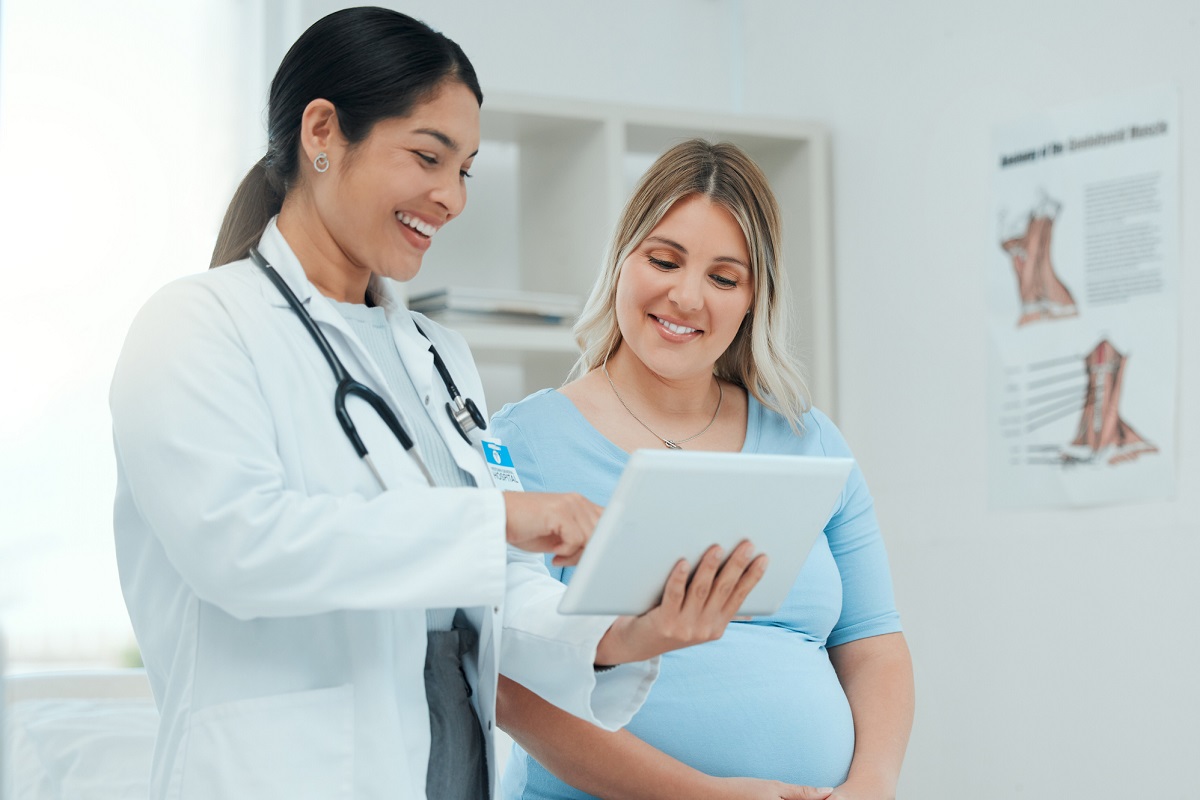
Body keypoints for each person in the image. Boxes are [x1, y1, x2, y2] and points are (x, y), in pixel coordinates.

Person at [109, 12, 765, 800]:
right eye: (428, 157)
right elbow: (238, 547)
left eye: (466, 170)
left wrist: (625, 635)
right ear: (323, 132)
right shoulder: (199, 325)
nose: (451, 198)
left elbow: (497, 589)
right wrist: (497, 523)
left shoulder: (437, 358)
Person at [490, 140, 915, 800]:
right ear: (623, 261)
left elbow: (873, 642)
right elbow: (507, 687)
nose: (686, 297)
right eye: (664, 260)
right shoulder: (522, 441)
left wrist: (872, 785)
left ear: (754, 298)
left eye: (724, 278)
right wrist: (703, 797)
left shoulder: (810, 440)